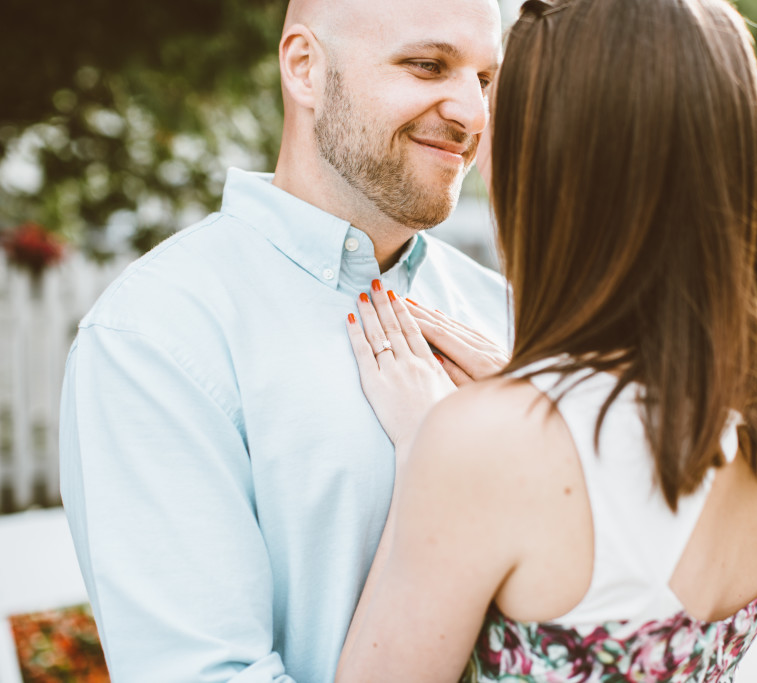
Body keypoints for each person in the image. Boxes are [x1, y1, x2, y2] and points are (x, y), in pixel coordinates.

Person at [334, 0, 757, 680]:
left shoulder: (481, 444)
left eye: (498, 126)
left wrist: (431, 439)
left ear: (557, 172)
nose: (479, 159)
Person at [58, 0, 507, 680]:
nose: (472, 114)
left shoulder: (504, 313)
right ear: (304, 68)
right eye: (427, 66)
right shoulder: (157, 335)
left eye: (485, 80)